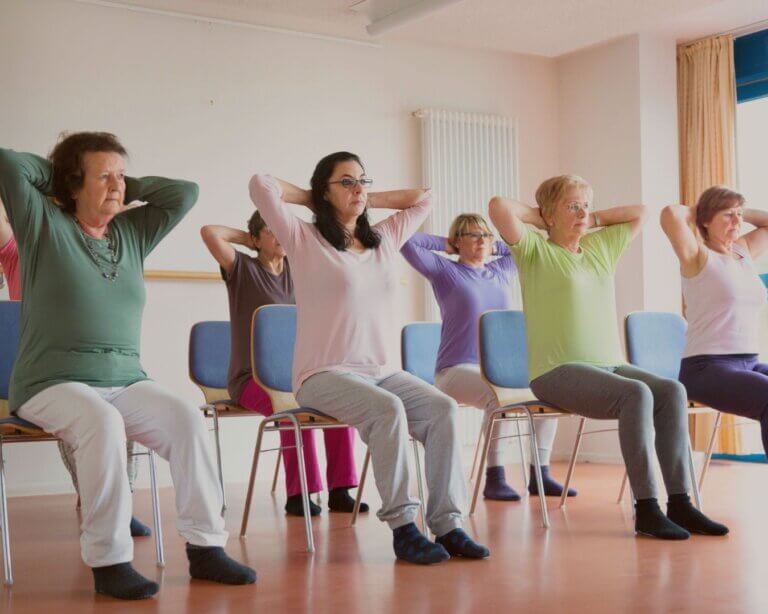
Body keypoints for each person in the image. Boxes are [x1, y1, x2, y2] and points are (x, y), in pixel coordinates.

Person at [0, 133, 255, 600]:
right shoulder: (42, 222)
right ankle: (110, 559)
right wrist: (61, 178)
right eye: (104, 175)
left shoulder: (132, 231)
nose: (117, 184)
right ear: (73, 182)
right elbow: (9, 163)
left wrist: (122, 183)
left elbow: (185, 193)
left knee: (185, 419)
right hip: (50, 380)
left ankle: (205, 547)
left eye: (122, 174)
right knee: (102, 422)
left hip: (126, 378)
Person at [249, 152, 489, 564]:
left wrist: (361, 197)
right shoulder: (303, 238)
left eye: (362, 180)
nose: (358, 187)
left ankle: (448, 525)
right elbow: (260, 184)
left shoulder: (384, 239)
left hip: (381, 371)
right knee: (388, 409)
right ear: (324, 190)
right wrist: (313, 198)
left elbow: (424, 199)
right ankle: (403, 527)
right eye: (345, 181)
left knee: (442, 408)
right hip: (321, 375)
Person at [489, 174, 729, 540]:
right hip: (556, 371)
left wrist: (590, 218)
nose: (582, 212)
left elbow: (641, 212)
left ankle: (680, 503)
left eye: (585, 204)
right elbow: (499, 207)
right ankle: (646, 508)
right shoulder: (535, 250)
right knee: (636, 394)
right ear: (548, 214)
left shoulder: (601, 247)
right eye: (572, 205)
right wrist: (541, 218)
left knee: (671, 391)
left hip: (611, 364)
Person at [2, 195, 150, 536]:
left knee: (121, 414)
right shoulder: (16, 248)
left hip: (90, 358)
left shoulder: (86, 244)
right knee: (83, 417)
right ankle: (100, 500)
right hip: (40, 367)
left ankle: (119, 501)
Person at [201, 213, 367, 516]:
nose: (279, 235)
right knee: (291, 410)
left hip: (298, 375)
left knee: (337, 401)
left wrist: (284, 234)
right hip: (250, 379)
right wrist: (248, 238)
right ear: (255, 239)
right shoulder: (242, 269)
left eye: (283, 230)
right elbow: (210, 231)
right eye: (270, 231)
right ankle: (299, 493)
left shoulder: (299, 269)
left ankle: (340, 490)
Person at [401, 214, 575, 501]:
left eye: (486, 235)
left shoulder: (502, 270)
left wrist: (493, 245)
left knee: (549, 393)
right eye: (472, 235)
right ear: (458, 240)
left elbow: (527, 244)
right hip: (455, 371)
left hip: (500, 370)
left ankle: (540, 475)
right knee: (497, 398)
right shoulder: (446, 272)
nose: (482, 240)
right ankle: (495, 478)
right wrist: (448, 245)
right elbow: (407, 241)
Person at [661, 186, 768, 455]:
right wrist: (703, 209)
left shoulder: (743, 252)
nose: (736, 222)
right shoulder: (697, 256)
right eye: (727, 215)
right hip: (706, 368)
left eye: (739, 215)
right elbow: (670, 215)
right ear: (706, 220)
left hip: (749, 362)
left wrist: (736, 210)